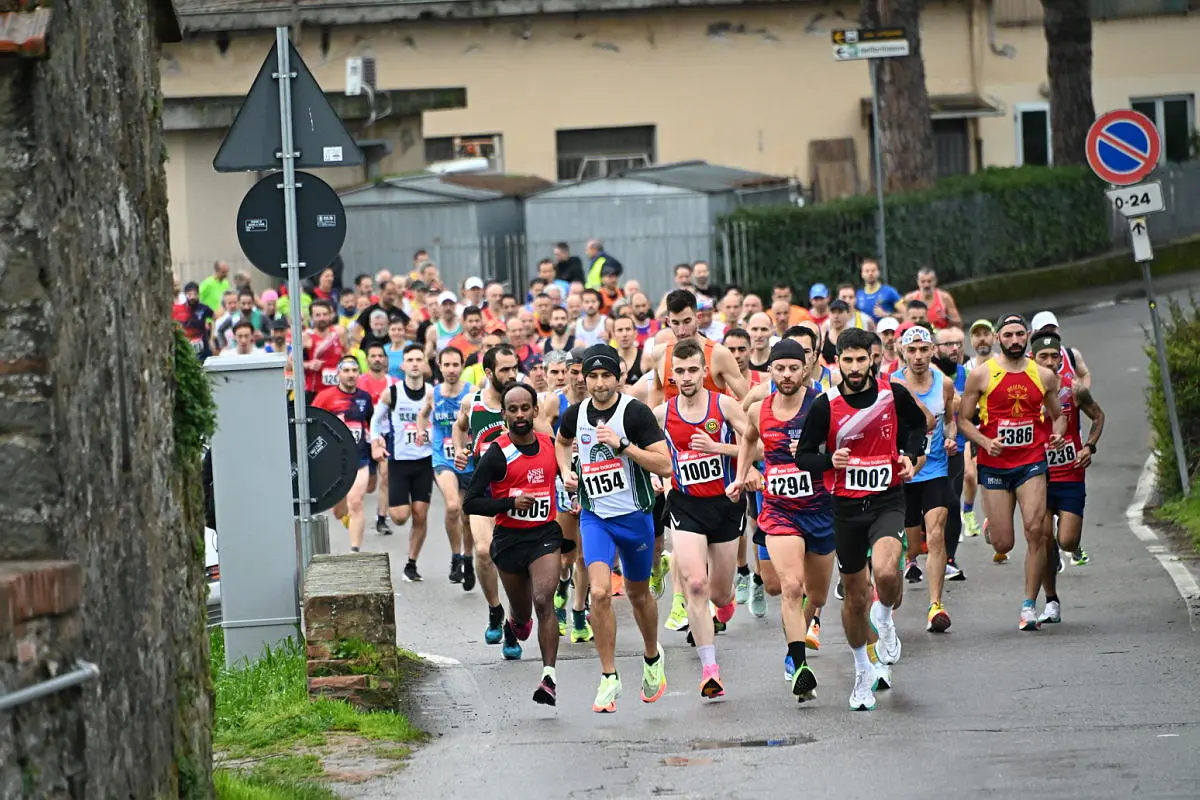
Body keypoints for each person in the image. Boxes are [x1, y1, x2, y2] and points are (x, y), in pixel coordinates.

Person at [793, 328, 929, 711]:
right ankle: (862, 671)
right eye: (847, 360)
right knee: (853, 598)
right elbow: (803, 455)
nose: (854, 367)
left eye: (860, 359)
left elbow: (919, 427)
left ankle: (884, 617)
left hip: (887, 499)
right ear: (837, 362)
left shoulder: (892, 393)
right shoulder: (826, 405)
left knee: (886, 573)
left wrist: (908, 455)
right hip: (847, 509)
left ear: (874, 358)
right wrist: (827, 461)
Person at [555, 344, 673, 713]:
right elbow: (561, 441)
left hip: (634, 517)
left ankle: (652, 657)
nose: (600, 383)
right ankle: (608, 676)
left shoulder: (634, 413)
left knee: (638, 596)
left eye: (606, 376)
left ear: (618, 377)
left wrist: (623, 447)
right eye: (592, 376)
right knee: (601, 594)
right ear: (583, 378)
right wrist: (566, 472)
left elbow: (664, 465)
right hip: (596, 517)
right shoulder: (576, 414)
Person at [730, 339, 837, 702]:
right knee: (791, 586)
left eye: (794, 368)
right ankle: (799, 663)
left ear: (805, 369)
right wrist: (742, 473)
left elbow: (842, 447)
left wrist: (816, 453)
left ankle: (798, 640)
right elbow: (748, 439)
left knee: (816, 593)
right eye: (780, 368)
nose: (787, 375)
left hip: (821, 511)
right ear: (771, 371)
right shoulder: (759, 409)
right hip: (779, 511)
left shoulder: (822, 406)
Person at [652, 340, 750, 699]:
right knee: (695, 584)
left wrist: (719, 449)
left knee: (720, 592)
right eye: (680, 371)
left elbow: (755, 444)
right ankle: (711, 671)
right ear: (672, 375)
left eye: (693, 369)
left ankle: (725, 603)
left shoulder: (723, 404)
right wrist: (657, 475)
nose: (687, 377)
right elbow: (652, 453)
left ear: (704, 371)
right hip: (686, 505)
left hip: (724, 505)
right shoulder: (663, 414)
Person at [957, 314, 1067, 632]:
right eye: (1009, 335)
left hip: (1031, 462)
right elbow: (964, 419)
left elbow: (1058, 415)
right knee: (1003, 544)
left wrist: (1057, 433)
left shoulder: (1044, 376)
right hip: (994, 466)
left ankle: (1029, 606)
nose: (1015, 340)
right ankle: (996, 520)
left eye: (1020, 334)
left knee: (1037, 531)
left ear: (1028, 335)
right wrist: (984, 441)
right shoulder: (981, 375)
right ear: (997, 338)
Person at [463, 383, 567, 702]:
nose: (520, 415)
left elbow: (564, 480)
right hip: (509, 541)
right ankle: (513, 623)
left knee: (543, 599)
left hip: (545, 536)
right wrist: (509, 503)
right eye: (513, 410)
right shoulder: (497, 452)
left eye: (525, 408)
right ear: (505, 414)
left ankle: (548, 677)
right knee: (523, 617)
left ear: (535, 411)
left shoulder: (550, 445)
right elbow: (471, 503)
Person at [1033, 333, 1105, 623]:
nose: (1050, 362)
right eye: (1043, 357)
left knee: (1067, 541)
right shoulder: (1023, 390)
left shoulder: (1073, 389)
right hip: (1037, 474)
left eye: (1055, 357)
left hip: (1070, 472)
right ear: (1032, 359)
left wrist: (1089, 446)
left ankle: (1066, 550)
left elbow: (1098, 417)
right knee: (1044, 537)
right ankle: (1051, 599)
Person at [891, 325, 958, 632]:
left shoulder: (943, 383)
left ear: (933, 350)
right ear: (902, 352)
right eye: (912, 350)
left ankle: (935, 605)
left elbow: (951, 422)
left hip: (935, 470)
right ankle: (890, 594)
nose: (918, 356)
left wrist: (950, 438)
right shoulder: (892, 384)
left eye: (924, 349)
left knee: (936, 534)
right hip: (904, 473)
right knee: (911, 545)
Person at [454, 345, 521, 644]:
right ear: (489, 372)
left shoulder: (522, 402)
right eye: (505, 369)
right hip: (483, 489)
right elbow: (459, 428)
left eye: (514, 368)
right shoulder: (473, 402)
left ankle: (513, 623)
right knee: (483, 551)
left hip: (520, 490)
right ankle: (495, 609)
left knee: (515, 562)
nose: (511, 375)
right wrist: (460, 449)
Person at [369, 344, 433, 582]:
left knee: (420, 513)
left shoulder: (431, 393)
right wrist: (377, 442)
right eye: (410, 359)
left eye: (419, 359)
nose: (415, 364)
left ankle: (411, 563)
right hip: (399, 461)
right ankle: (392, 510)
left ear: (424, 363)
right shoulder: (392, 393)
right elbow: (375, 422)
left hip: (424, 461)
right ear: (403, 364)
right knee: (399, 517)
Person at [417, 346, 476, 588]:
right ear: (439, 366)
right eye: (447, 365)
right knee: (453, 506)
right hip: (443, 459)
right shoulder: (434, 393)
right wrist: (421, 429)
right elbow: (423, 414)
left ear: (462, 366)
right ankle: (456, 557)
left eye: (455, 365)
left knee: (468, 515)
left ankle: (469, 558)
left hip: (469, 460)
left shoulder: (471, 393)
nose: (451, 370)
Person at [313, 356, 374, 552]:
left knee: (355, 501)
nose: (350, 375)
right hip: (335, 462)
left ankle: (354, 550)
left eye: (354, 370)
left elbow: (372, 424)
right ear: (338, 374)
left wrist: (377, 444)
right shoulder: (325, 397)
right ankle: (346, 517)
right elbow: (313, 423)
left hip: (360, 459)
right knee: (339, 511)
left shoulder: (365, 398)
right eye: (346, 371)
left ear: (359, 374)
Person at [650, 290, 748, 406]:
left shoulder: (719, 354)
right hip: (673, 423)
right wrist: (653, 420)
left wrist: (729, 415)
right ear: (668, 322)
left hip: (712, 423)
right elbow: (656, 390)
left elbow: (747, 398)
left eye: (687, 321)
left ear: (698, 318)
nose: (681, 331)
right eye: (675, 323)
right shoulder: (659, 353)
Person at [357, 343, 397, 535]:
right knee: (370, 485)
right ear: (367, 360)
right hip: (366, 436)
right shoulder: (360, 382)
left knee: (386, 476)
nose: (377, 359)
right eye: (373, 356)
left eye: (380, 356)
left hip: (388, 435)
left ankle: (382, 518)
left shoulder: (394, 382)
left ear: (385, 359)